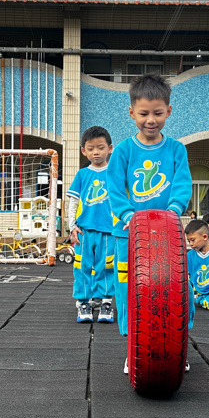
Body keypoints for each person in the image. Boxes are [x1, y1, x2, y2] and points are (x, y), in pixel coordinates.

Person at [106, 73, 192, 337]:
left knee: (173, 282)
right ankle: (132, 338)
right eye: (144, 113)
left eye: (158, 113)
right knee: (128, 284)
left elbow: (182, 183)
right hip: (128, 232)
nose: (151, 120)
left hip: (167, 232)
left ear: (168, 111)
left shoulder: (176, 149)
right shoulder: (123, 150)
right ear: (132, 112)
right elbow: (114, 188)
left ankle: (178, 335)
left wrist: (174, 211)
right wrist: (127, 215)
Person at [67, 126, 116, 324]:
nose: (96, 152)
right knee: (82, 267)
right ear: (83, 151)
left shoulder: (114, 174)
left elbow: (122, 201)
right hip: (84, 231)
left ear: (110, 148)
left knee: (107, 266)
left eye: (100, 147)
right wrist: (72, 226)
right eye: (91, 148)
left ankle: (106, 302)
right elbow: (73, 202)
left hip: (109, 231)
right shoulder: (82, 175)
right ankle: (84, 302)